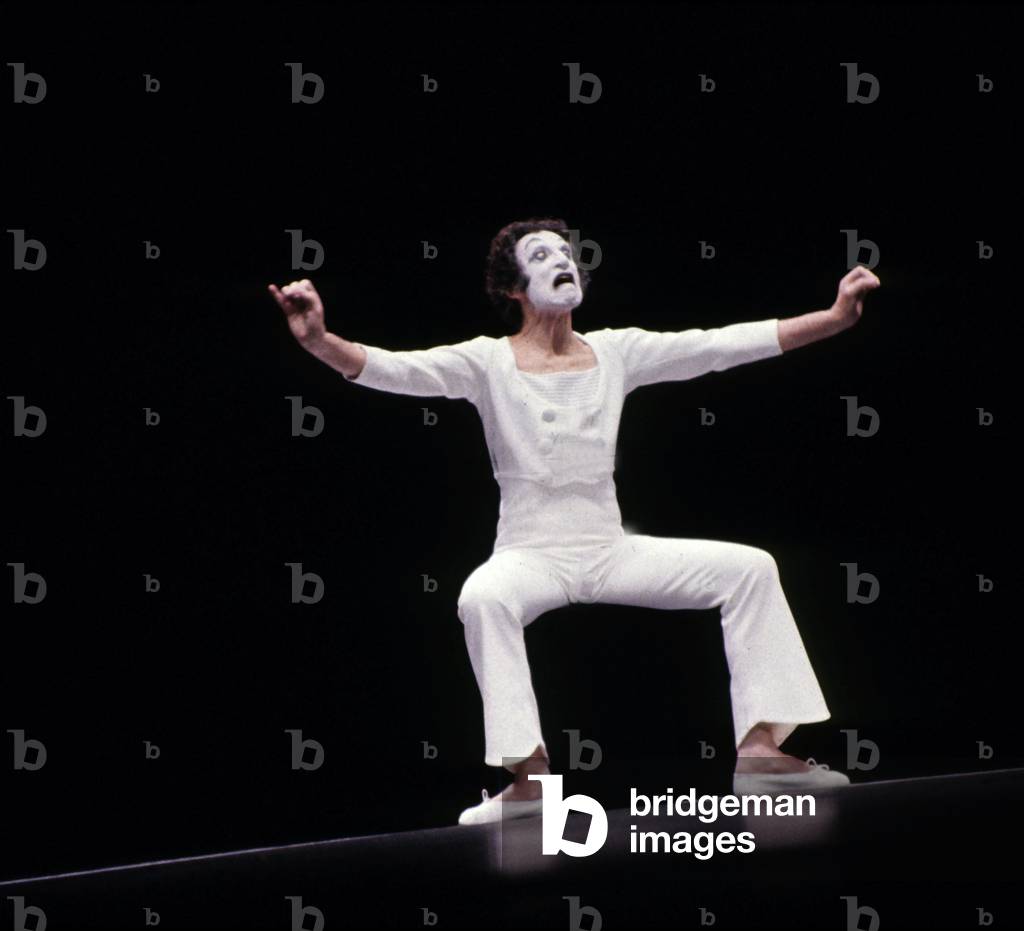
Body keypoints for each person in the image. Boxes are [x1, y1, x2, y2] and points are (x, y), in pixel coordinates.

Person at [268, 217, 881, 825]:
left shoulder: (616, 351)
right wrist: (318, 340)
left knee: (750, 568)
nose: (563, 261)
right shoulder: (487, 362)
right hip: (530, 555)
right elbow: (396, 368)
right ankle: (530, 781)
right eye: (541, 256)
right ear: (513, 287)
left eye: (567, 252)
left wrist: (832, 319)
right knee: (484, 597)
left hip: (610, 551)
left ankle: (761, 757)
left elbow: (717, 345)